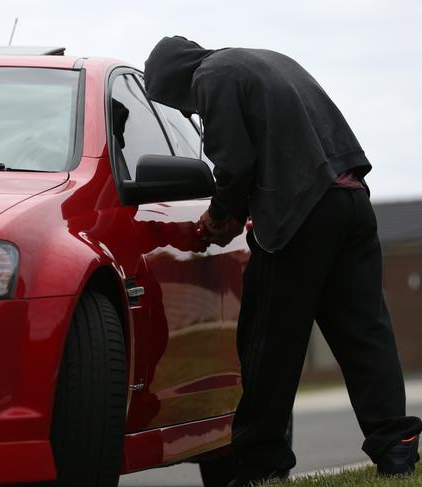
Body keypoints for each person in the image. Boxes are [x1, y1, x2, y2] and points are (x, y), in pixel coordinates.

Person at [144, 36, 422, 487]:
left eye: (175, 101)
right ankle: (396, 444)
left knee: (268, 344)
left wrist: (218, 217)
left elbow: (235, 165)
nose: (185, 111)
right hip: (351, 204)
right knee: (364, 333)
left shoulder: (211, 77)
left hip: (300, 214)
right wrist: (237, 211)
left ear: (176, 79)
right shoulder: (266, 61)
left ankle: (262, 464)